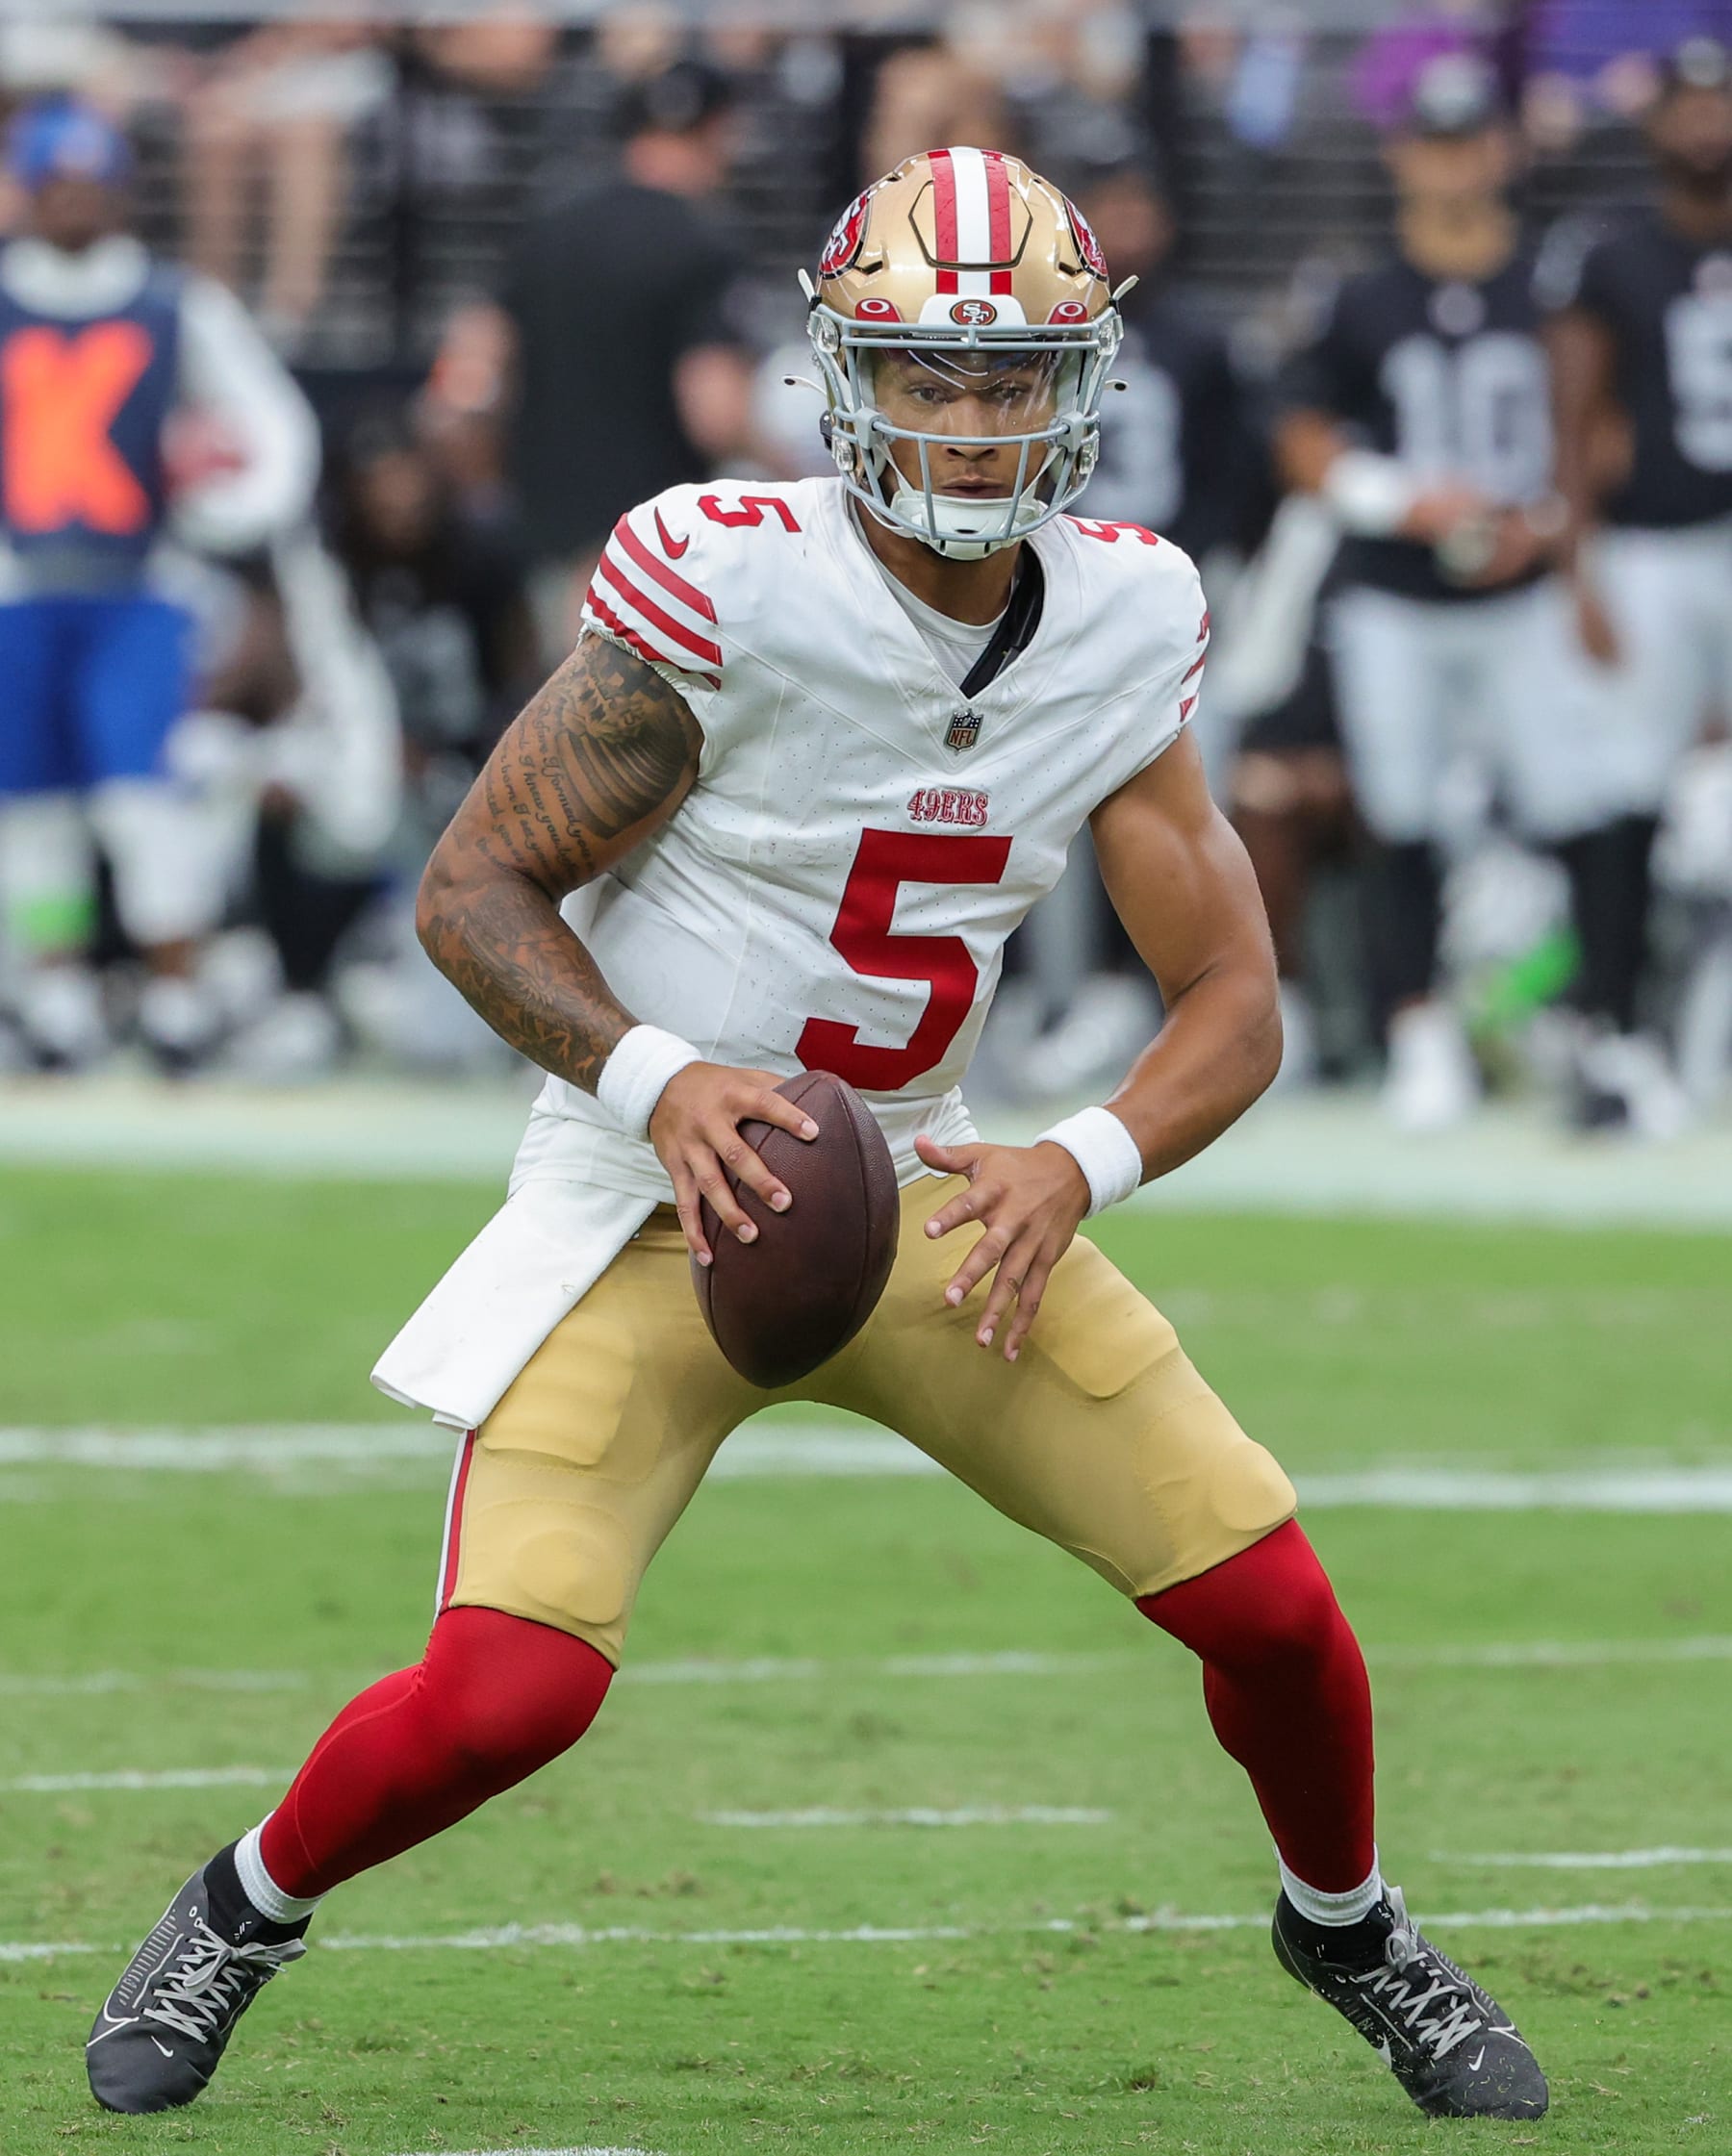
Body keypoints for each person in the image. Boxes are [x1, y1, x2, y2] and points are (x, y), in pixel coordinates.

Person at [88, 147, 1546, 2127]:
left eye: (1010, 374)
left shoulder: (1130, 618)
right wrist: (656, 1074)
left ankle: (1349, 1919)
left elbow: (1236, 1001)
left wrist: (1077, 1159)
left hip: (934, 1189)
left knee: (1273, 1604)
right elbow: (473, 893)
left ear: (1080, 384)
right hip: (643, 1203)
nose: (968, 418)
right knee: (514, 1691)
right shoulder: (724, 573)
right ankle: (241, 1907)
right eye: (926, 377)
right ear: (846, 375)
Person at [1274, 53, 1644, 1131]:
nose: (1452, 164)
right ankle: (1418, 1029)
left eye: (1469, 139)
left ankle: (1600, 1027)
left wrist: (1546, 522)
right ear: (1403, 155)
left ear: (1502, 148)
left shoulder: (1553, 285)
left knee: (1579, 799)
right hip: (1397, 595)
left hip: (1526, 592)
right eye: (1433, 143)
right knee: (1400, 812)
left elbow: (1611, 425)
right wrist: (1403, 501)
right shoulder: (1359, 292)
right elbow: (1301, 438)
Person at [0, 96, 319, 1070]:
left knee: (147, 798)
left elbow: (277, 435)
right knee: (32, 802)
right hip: (20, 587)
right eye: (57, 184)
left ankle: (174, 993)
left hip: (141, 588)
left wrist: (223, 507)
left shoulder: (175, 302)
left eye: (90, 184)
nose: (72, 203)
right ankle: (55, 992)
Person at [1542, 34, 1732, 1131]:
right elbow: (1574, 424)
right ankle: (1612, 1031)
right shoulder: (1614, 253)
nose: (1708, 126)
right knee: (1626, 792)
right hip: (1654, 549)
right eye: (1691, 105)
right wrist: (1582, 569)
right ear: (1657, 123)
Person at [429, 57, 769, 669]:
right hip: (654, 546)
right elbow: (714, 411)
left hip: (543, 529)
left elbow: (467, 377)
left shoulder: (553, 225)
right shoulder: (703, 244)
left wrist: (481, 478)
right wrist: (791, 470)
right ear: (719, 132)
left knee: (550, 715)